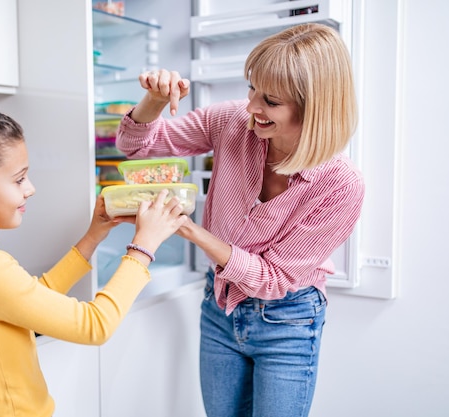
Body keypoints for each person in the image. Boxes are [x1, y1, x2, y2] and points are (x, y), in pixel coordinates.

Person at [116, 23, 365, 417]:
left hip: (287, 320)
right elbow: (136, 146)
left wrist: (191, 231)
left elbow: (274, 279)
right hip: (220, 306)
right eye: (252, 88)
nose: (251, 107)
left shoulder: (340, 184)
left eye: (271, 100)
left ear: (315, 107)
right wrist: (153, 100)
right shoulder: (233, 122)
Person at [0, 105, 187, 417]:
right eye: (19, 179)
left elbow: (33, 297)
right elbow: (95, 325)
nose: (31, 188)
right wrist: (143, 247)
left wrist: (93, 236)